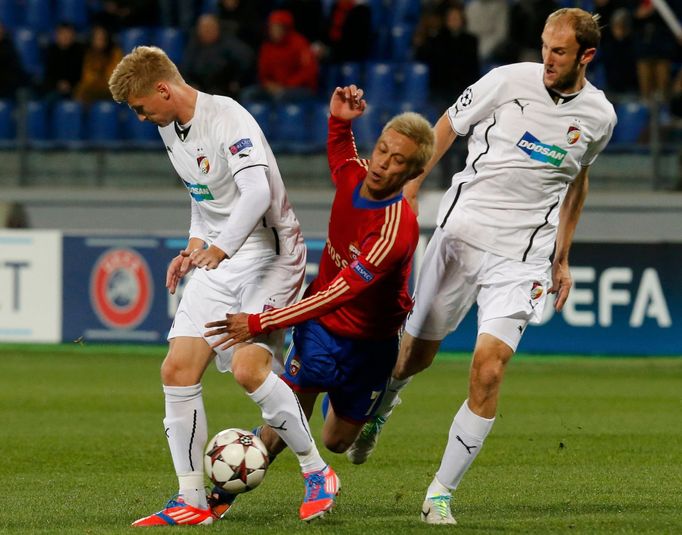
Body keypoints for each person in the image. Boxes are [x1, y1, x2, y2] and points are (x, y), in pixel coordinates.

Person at [346, 7, 617, 525]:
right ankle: (383, 407)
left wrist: (561, 257)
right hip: (460, 237)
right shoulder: (505, 81)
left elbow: (578, 179)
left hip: (522, 260)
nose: (547, 60)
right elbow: (445, 126)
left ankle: (440, 494)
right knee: (411, 359)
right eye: (543, 47)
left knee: (489, 368)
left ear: (587, 56)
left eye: (559, 52)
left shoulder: (600, 117)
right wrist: (409, 190)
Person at [107, 45, 337, 526]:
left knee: (251, 371)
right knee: (177, 369)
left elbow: (255, 194)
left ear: (163, 89)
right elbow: (203, 198)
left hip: (271, 254)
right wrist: (195, 247)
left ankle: (317, 471)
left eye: (141, 106)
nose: (141, 117)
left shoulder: (229, 118)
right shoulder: (171, 127)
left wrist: (221, 249)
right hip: (222, 255)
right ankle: (191, 499)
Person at [202, 85, 434, 469]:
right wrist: (339, 122)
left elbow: (339, 292)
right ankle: (226, 490)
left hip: (370, 346)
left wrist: (260, 321)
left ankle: (378, 407)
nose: (381, 164)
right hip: (322, 332)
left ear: (413, 172)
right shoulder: (353, 176)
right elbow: (342, 155)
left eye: (397, 161)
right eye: (381, 150)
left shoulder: (395, 230)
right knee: (282, 421)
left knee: (337, 442)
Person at [241, 9, 318, 103]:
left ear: (286, 28)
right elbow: (263, 71)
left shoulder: (300, 43)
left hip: (298, 88)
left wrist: (285, 85)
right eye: (272, 28)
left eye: (278, 28)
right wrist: (268, 84)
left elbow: (308, 72)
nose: (274, 31)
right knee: (247, 94)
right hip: (274, 88)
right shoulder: (267, 46)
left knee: (280, 96)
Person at [74, 25, 123, 104]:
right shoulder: (89, 54)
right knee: (79, 94)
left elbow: (113, 78)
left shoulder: (115, 53)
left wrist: (98, 80)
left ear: (107, 39)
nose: (100, 42)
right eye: (97, 39)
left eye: (102, 39)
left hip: (111, 91)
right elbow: (87, 79)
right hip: (92, 90)